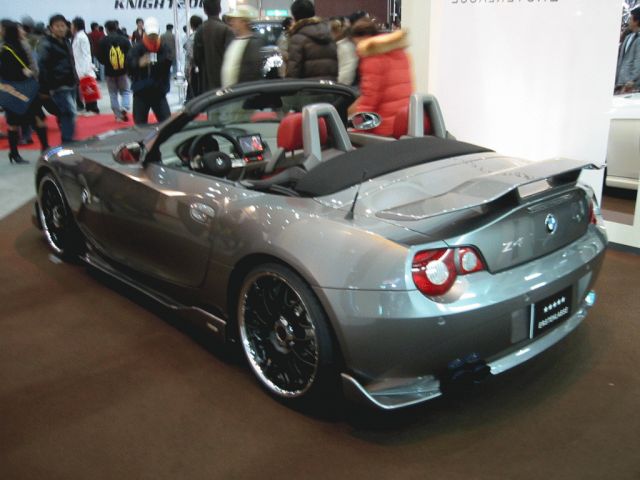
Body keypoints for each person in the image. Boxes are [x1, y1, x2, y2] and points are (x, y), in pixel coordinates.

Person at [347, 18, 413, 137]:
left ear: (365, 38)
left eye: (357, 43)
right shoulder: (399, 52)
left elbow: (369, 101)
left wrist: (354, 129)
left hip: (383, 128)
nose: (357, 48)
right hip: (403, 123)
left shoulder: (373, 57)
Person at [0, 20, 49, 163]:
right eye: (19, 29)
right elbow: (8, 72)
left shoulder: (19, 46)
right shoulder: (8, 49)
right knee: (19, 122)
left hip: (21, 90)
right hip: (20, 90)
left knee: (31, 119)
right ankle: (16, 152)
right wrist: (25, 73)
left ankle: (41, 148)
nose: (22, 31)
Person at [38, 13, 78, 143]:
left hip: (70, 81)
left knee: (67, 112)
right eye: (57, 26)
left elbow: (71, 62)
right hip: (57, 84)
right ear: (51, 28)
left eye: (63, 26)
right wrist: (44, 88)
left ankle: (68, 137)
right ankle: (67, 139)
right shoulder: (46, 44)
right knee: (69, 112)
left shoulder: (66, 41)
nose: (61, 29)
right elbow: (41, 66)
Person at [125, 17, 171, 125]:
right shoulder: (137, 48)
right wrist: (138, 63)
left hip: (158, 91)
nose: (153, 38)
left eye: (154, 35)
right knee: (140, 124)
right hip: (141, 92)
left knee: (167, 122)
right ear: (145, 33)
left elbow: (167, 66)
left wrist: (158, 63)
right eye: (150, 35)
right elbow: (128, 67)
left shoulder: (163, 48)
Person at [285, 0, 337, 80]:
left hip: (308, 86)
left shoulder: (297, 38)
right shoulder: (328, 33)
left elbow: (293, 70)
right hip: (329, 85)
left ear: (295, 16)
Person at [193, 0, 234, 92]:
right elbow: (231, 56)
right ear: (220, 9)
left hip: (206, 82)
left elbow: (197, 57)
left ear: (205, 10)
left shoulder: (200, 30)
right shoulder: (226, 30)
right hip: (225, 81)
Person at [221, 6, 264, 87]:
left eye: (234, 20)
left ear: (244, 22)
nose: (231, 23)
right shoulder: (233, 40)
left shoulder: (253, 43)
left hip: (242, 92)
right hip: (231, 92)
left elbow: (252, 73)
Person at [97, 20, 131, 122]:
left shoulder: (102, 41)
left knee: (113, 94)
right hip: (123, 71)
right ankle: (125, 107)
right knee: (125, 91)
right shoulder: (124, 39)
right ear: (116, 27)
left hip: (109, 71)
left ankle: (118, 115)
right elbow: (130, 54)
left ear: (106, 29)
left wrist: (107, 63)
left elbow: (100, 57)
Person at [71, 17, 100, 115]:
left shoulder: (82, 37)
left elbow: (86, 54)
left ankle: (94, 109)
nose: (71, 27)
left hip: (84, 68)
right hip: (80, 67)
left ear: (76, 26)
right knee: (85, 90)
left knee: (89, 89)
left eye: (72, 25)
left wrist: (86, 69)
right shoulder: (77, 36)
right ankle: (88, 108)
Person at [616, 7, 640, 93]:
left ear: (636, 21)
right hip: (620, 83)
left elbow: (638, 62)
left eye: (630, 19)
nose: (628, 21)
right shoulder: (628, 37)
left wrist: (632, 81)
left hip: (630, 86)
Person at [330, 18, 358, 86]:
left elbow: (345, 76)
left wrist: (334, 87)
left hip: (340, 88)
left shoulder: (346, 48)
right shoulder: (338, 45)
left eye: (333, 30)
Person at [183, 14, 203, 100]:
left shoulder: (192, 38)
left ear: (191, 25)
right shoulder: (206, 35)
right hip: (205, 70)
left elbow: (190, 56)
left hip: (195, 70)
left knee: (193, 97)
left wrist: (187, 72)